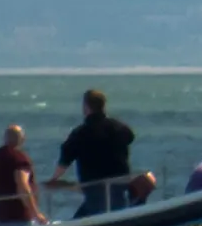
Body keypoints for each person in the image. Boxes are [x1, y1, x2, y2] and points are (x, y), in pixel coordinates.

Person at [48, 87, 138, 219]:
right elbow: (130, 138)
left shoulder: (80, 134)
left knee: (81, 222)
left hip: (94, 191)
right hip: (120, 187)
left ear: (86, 107)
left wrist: (54, 180)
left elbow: (65, 160)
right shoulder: (120, 128)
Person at [0, 124, 47, 226]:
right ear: (22, 139)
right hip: (19, 219)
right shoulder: (20, 159)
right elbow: (22, 185)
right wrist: (36, 214)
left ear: (4, 138)